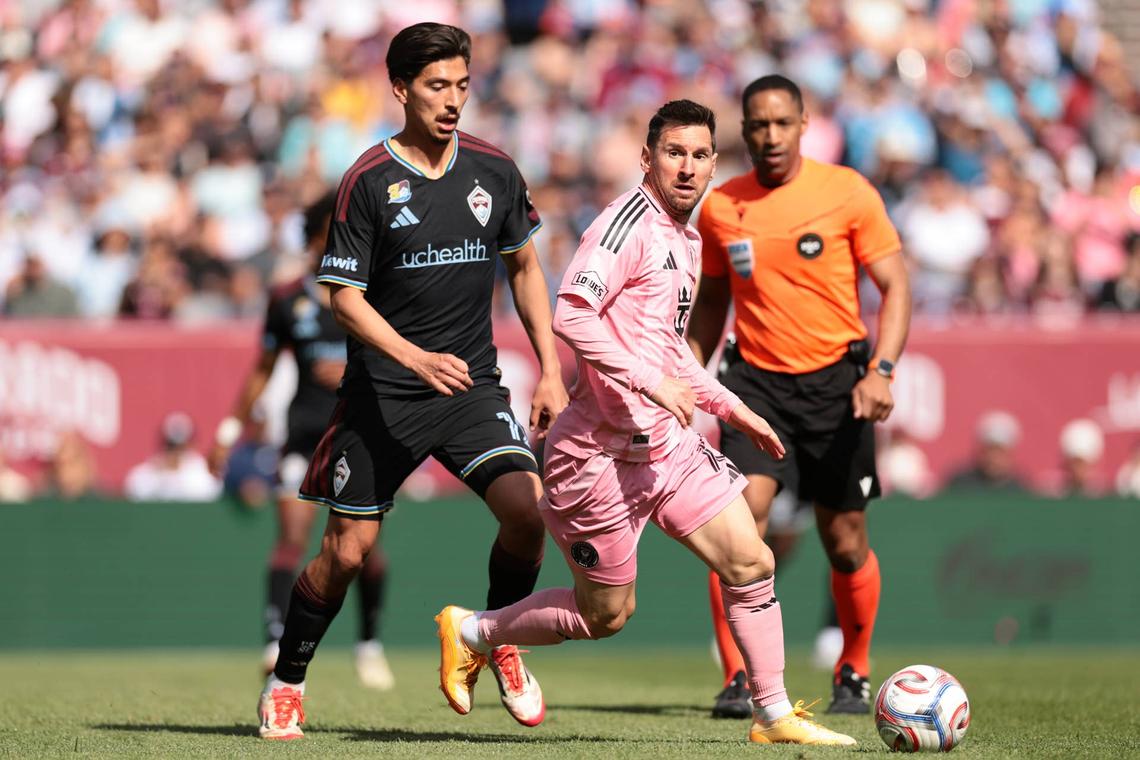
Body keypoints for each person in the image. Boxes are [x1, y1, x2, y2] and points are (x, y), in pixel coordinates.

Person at [435, 100, 855, 747]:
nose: (687, 167)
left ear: (714, 161)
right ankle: (472, 632)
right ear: (647, 159)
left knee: (750, 561)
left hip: (665, 448)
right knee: (607, 615)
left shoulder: (687, 238)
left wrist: (733, 407)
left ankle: (773, 716)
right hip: (595, 456)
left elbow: (664, 351)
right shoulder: (626, 223)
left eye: (698, 155)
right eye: (673, 153)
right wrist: (648, 380)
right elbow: (573, 315)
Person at [256, 23, 568, 740]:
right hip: (383, 398)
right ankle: (287, 680)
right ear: (400, 89)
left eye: (461, 84)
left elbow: (523, 266)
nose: (453, 100)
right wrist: (413, 357)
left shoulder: (494, 170)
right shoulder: (367, 180)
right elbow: (342, 297)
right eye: (436, 86)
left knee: (528, 511)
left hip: (470, 390)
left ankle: (496, 636)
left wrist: (550, 369)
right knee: (345, 555)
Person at [688, 75, 911, 717]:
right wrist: (685, 379)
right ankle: (738, 678)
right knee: (737, 525)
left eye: (782, 123)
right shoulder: (723, 205)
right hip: (754, 384)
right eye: (758, 124)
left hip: (839, 386)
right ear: (744, 129)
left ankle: (854, 670)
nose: (770, 136)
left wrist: (883, 372)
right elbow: (711, 303)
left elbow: (896, 286)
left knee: (844, 540)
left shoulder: (846, 192)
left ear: (804, 123)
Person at [212, 192, 394, 690]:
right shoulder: (286, 299)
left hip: (360, 433)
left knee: (364, 553)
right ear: (316, 239)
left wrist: (357, 368)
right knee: (291, 538)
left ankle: (369, 644)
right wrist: (229, 430)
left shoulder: (376, 292)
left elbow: (403, 354)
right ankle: (275, 642)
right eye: (333, 233)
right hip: (303, 437)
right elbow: (262, 369)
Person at [124, 412, 222, 502]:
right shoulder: (149, 470)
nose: (175, 453)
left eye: (181, 447)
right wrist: (161, 474)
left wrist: (176, 474)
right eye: (171, 446)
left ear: (191, 444)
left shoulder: (201, 470)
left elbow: (209, 490)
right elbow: (134, 488)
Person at [943, 411, 1027, 494]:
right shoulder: (960, 485)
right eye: (990, 450)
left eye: (1000, 451)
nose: (994, 458)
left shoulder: (1020, 489)